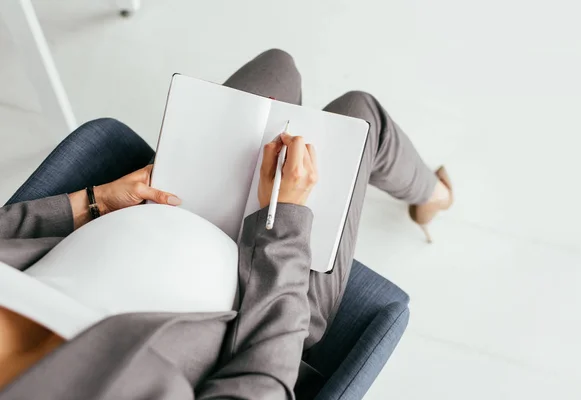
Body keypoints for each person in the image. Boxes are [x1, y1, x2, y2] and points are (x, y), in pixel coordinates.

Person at [0, 49, 452, 399]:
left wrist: (93, 201)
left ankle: (428, 192)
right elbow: (262, 384)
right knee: (359, 113)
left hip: (152, 204)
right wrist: (284, 219)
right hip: (263, 301)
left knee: (277, 69)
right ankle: (434, 197)